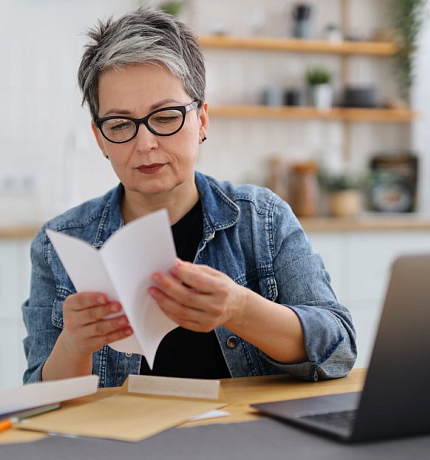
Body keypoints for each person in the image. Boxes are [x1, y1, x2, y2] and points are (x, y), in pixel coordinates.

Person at [22, 7, 356, 388]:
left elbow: (339, 348)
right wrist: (75, 343)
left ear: (202, 121)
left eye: (165, 117)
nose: (145, 144)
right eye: (119, 125)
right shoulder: (60, 244)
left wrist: (239, 308)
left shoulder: (262, 220)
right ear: (100, 139)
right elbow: (40, 396)